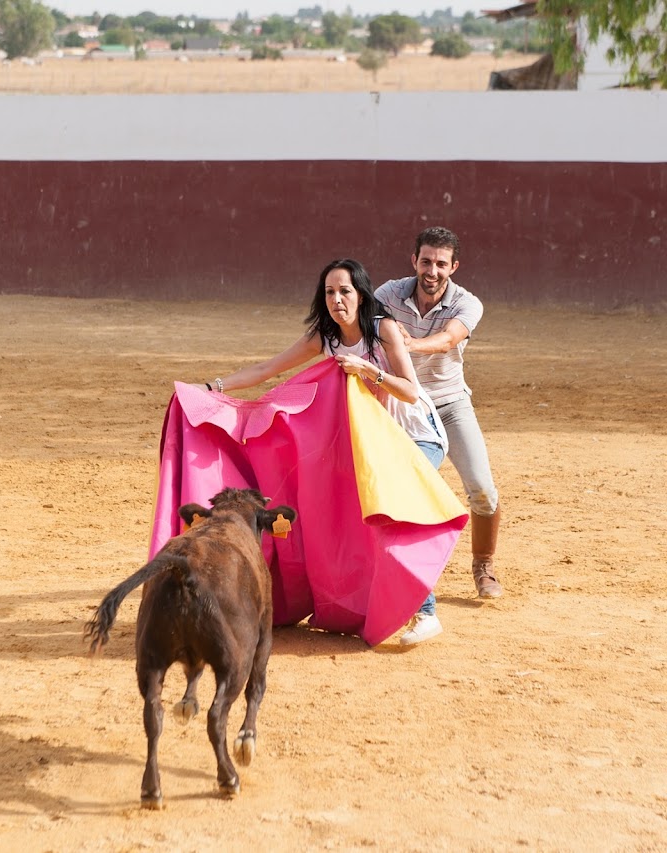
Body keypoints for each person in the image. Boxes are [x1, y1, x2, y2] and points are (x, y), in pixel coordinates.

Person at [194, 258, 450, 646]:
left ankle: (426, 611)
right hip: (369, 440)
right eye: (329, 292)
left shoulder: (384, 330)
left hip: (415, 434)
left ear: (362, 295)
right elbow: (269, 369)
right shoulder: (325, 337)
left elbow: (411, 392)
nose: (337, 300)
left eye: (345, 291)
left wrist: (366, 371)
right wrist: (214, 388)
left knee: (396, 510)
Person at [375, 226, 502, 600]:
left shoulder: (468, 303)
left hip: (449, 404)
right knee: (405, 489)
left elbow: (449, 339)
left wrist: (407, 342)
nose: (432, 270)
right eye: (426, 261)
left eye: (441, 264)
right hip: (403, 406)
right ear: (414, 260)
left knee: (481, 488)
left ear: (454, 267)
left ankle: (484, 564)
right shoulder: (387, 294)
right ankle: (397, 568)